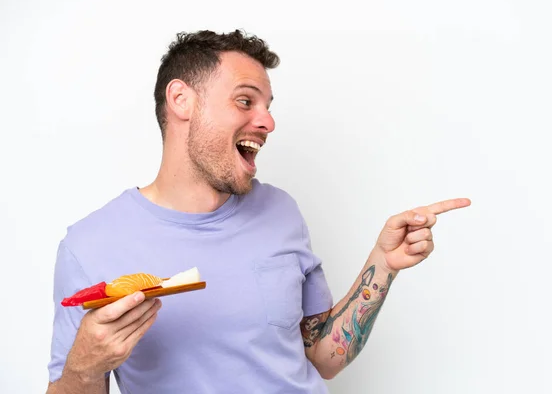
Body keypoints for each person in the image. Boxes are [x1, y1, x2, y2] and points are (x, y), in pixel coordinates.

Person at [46, 29, 471, 394]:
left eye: (267, 105)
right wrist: (84, 364)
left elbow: (323, 357)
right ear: (181, 100)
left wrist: (384, 264)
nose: (267, 121)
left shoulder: (280, 211)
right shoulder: (89, 245)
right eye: (246, 101)